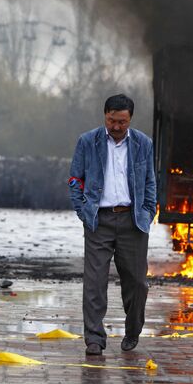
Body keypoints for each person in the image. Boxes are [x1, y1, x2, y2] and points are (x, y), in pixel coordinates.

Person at [68, 93, 157, 356]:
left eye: (122, 122)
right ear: (104, 116)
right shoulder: (87, 141)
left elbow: (150, 181)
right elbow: (75, 179)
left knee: (137, 283)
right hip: (99, 220)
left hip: (134, 221)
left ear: (130, 119)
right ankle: (94, 338)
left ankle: (132, 331)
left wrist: (148, 210)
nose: (116, 127)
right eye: (111, 120)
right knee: (94, 282)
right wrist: (83, 211)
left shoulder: (143, 143)